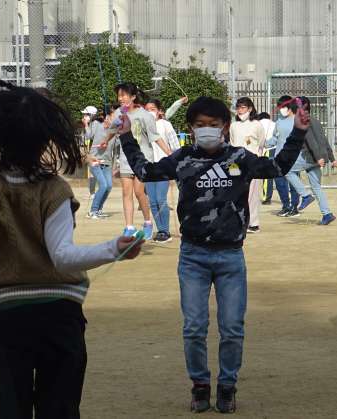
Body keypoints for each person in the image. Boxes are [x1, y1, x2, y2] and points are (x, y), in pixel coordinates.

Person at [0, 77, 143, 419]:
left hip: (6, 317)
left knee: (6, 408)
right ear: (44, 137)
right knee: (60, 409)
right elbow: (63, 257)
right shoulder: (54, 188)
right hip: (60, 317)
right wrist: (114, 248)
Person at [118, 96, 309, 414]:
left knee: (232, 328)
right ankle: (200, 385)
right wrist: (126, 135)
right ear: (191, 128)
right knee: (194, 327)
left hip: (230, 257)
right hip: (192, 257)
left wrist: (299, 132)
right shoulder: (182, 158)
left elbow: (278, 167)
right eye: (200, 125)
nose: (207, 130)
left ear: (225, 126)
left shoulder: (239, 158)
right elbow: (145, 171)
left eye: (213, 124)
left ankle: (227, 387)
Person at [100, 82, 171, 239]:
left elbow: (155, 137)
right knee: (126, 193)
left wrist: (169, 152)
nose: (120, 98)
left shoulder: (144, 115)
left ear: (133, 97)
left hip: (142, 160)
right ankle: (129, 227)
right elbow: (112, 130)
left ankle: (147, 222)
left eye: (124, 95)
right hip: (126, 158)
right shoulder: (118, 113)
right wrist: (105, 141)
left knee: (139, 192)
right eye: (119, 95)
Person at [285, 96, 337, 225]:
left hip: (311, 156)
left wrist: (318, 157)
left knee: (286, 169)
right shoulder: (315, 120)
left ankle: (305, 196)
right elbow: (324, 140)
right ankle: (327, 214)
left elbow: (311, 141)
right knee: (317, 187)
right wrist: (332, 158)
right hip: (319, 156)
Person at [144, 99, 181, 242]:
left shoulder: (165, 124)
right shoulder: (142, 125)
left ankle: (165, 230)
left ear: (160, 111)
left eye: (152, 109)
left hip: (163, 166)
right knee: (152, 201)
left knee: (160, 199)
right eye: (147, 109)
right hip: (148, 166)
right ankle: (160, 230)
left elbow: (175, 145)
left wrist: (176, 162)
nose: (149, 112)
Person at [230, 97, 266, 233]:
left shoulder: (257, 125)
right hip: (236, 164)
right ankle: (238, 221)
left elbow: (261, 143)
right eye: (238, 107)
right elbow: (232, 143)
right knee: (236, 193)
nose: (240, 110)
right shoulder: (234, 125)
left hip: (252, 163)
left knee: (252, 194)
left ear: (250, 109)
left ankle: (253, 223)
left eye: (243, 107)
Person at [266, 96, 300, 217]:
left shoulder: (297, 120)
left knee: (293, 184)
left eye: (283, 106)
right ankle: (285, 206)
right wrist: (264, 143)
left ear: (290, 107)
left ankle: (294, 207)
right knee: (280, 183)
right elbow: (275, 138)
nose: (281, 109)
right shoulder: (279, 121)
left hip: (293, 158)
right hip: (279, 157)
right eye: (279, 107)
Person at [83, 105, 116, 219]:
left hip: (107, 162)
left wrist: (115, 165)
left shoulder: (115, 131)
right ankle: (93, 211)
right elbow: (88, 135)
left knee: (109, 186)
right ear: (107, 117)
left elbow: (116, 146)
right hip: (94, 160)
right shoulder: (96, 124)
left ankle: (98, 209)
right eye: (113, 116)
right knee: (103, 185)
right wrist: (86, 124)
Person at [257, 112, 276, 205]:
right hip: (277, 149)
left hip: (267, 150)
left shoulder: (258, 124)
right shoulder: (275, 124)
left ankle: (267, 198)